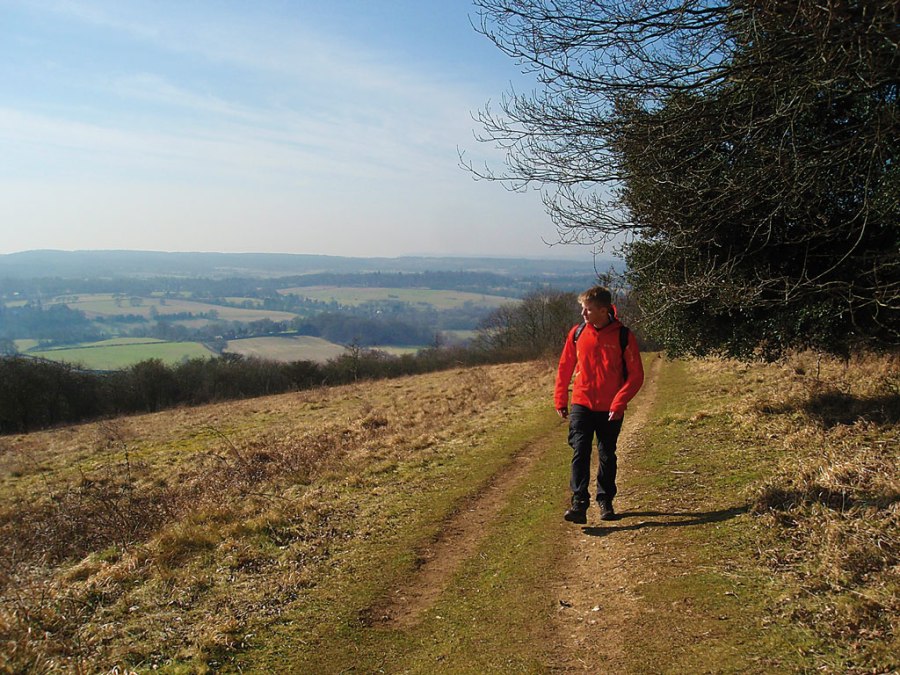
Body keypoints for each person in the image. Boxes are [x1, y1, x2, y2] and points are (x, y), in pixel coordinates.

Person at [555, 286, 644, 524]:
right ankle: (579, 503)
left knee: (607, 454)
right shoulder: (577, 332)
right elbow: (564, 367)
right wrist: (560, 399)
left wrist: (620, 401)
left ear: (604, 310)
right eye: (583, 308)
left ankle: (605, 501)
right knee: (580, 450)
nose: (583, 313)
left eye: (588, 309)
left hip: (610, 407)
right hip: (582, 403)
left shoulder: (624, 335)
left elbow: (636, 376)